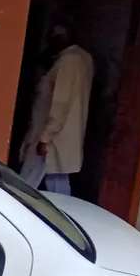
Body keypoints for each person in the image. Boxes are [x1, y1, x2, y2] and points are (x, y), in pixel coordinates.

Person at [18, 24, 94, 195]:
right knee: (55, 181)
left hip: (52, 135)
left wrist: (46, 137)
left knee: (29, 183)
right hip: (59, 133)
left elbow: (61, 101)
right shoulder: (82, 58)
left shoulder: (70, 61)